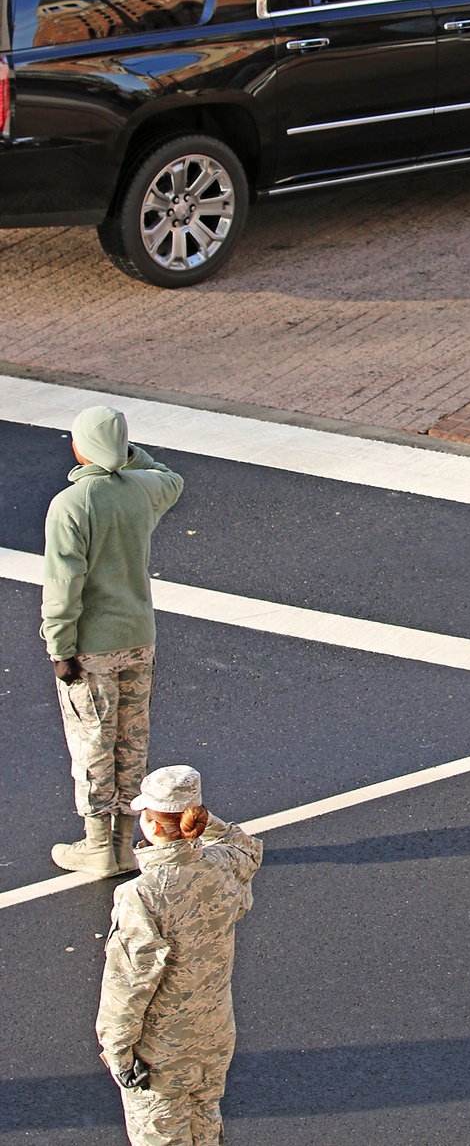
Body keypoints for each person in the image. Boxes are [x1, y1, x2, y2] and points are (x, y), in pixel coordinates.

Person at [42, 406, 184, 877]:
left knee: (93, 741)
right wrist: (125, 456)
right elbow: (168, 476)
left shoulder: (72, 504)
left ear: (79, 446)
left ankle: (98, 845)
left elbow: (64, 585)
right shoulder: (140, 492)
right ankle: (126, 842)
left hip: (93, 644)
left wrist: (60, 648)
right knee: (131, 739)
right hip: (139, 636)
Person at [96, 764, 263, 1146]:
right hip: (215, 1035)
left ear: (152, 826)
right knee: (206, 1129)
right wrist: (199, 817)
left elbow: (128, 985)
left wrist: (118, 1052)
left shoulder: (143, 895)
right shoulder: (223, 864)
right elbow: (246, 845)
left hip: (163, 1051)